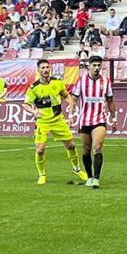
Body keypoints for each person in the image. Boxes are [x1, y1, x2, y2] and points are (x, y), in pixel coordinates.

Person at [24, 59, 88, 185]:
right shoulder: (34, 88)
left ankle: (77, 169)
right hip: (43, 121)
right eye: (42, 68)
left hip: (58, 119)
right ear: (38, 70)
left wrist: (71, 105)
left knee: (71, 145)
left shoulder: (57, 83)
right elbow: (26, 104)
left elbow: (66, 95)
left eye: (47, 67)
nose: (45, 70)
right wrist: (34, 112)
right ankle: (42, 175)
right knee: (40, 150)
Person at [67, 55, 116, 189]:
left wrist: (114, 118)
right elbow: (74, 99)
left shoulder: (106, 81)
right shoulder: (81, 81)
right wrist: (71, 115)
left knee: (97, 147)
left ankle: (96, 179)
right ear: (89, 66)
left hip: (99, 119)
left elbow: (110, 100)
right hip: (84, 120)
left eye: (98, 65)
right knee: (86, 150)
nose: (96, 68)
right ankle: (89, 176)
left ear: (101, 67)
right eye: (94, 65)